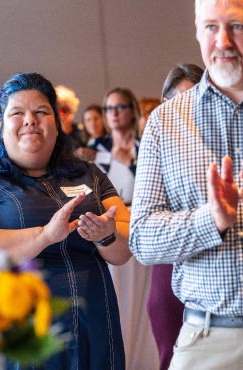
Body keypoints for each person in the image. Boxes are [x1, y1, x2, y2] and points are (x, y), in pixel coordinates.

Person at [0, 72, 132, 370]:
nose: (30, 120)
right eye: (17, 113)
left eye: (41, 112)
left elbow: (124, 249)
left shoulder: (88, 174)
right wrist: (44, 235)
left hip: (94, 322)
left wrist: (106, 234)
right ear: (2, 126)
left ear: (57, 126)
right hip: (22, 332)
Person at [130, 0, 243, 369]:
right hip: (210, 340)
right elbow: (142, 238)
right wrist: (211, 219)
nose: (223, 41)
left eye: (237, 26)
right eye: (211, 27)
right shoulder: (166, 123)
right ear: (197, 32)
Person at [146, 63, 203, 370]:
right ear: (166, 104)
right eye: (184, 101)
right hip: (170, 270)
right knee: (172, 359)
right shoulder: (156, 150)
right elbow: (145, 229)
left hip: (220, 277)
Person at [98, 87, 158, 369]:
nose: (115, 114)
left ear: (133, 111)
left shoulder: (147, 143)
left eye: (120, 107)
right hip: (109, 232)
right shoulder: (94, 148)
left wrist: (129, 165)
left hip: (140, 223)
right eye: (109, 108)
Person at [55, 84, 87, 149]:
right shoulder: (50, 133)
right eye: (57, 109)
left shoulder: (80, 131)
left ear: (71, 111)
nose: (61, 114)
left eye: (64, 110)